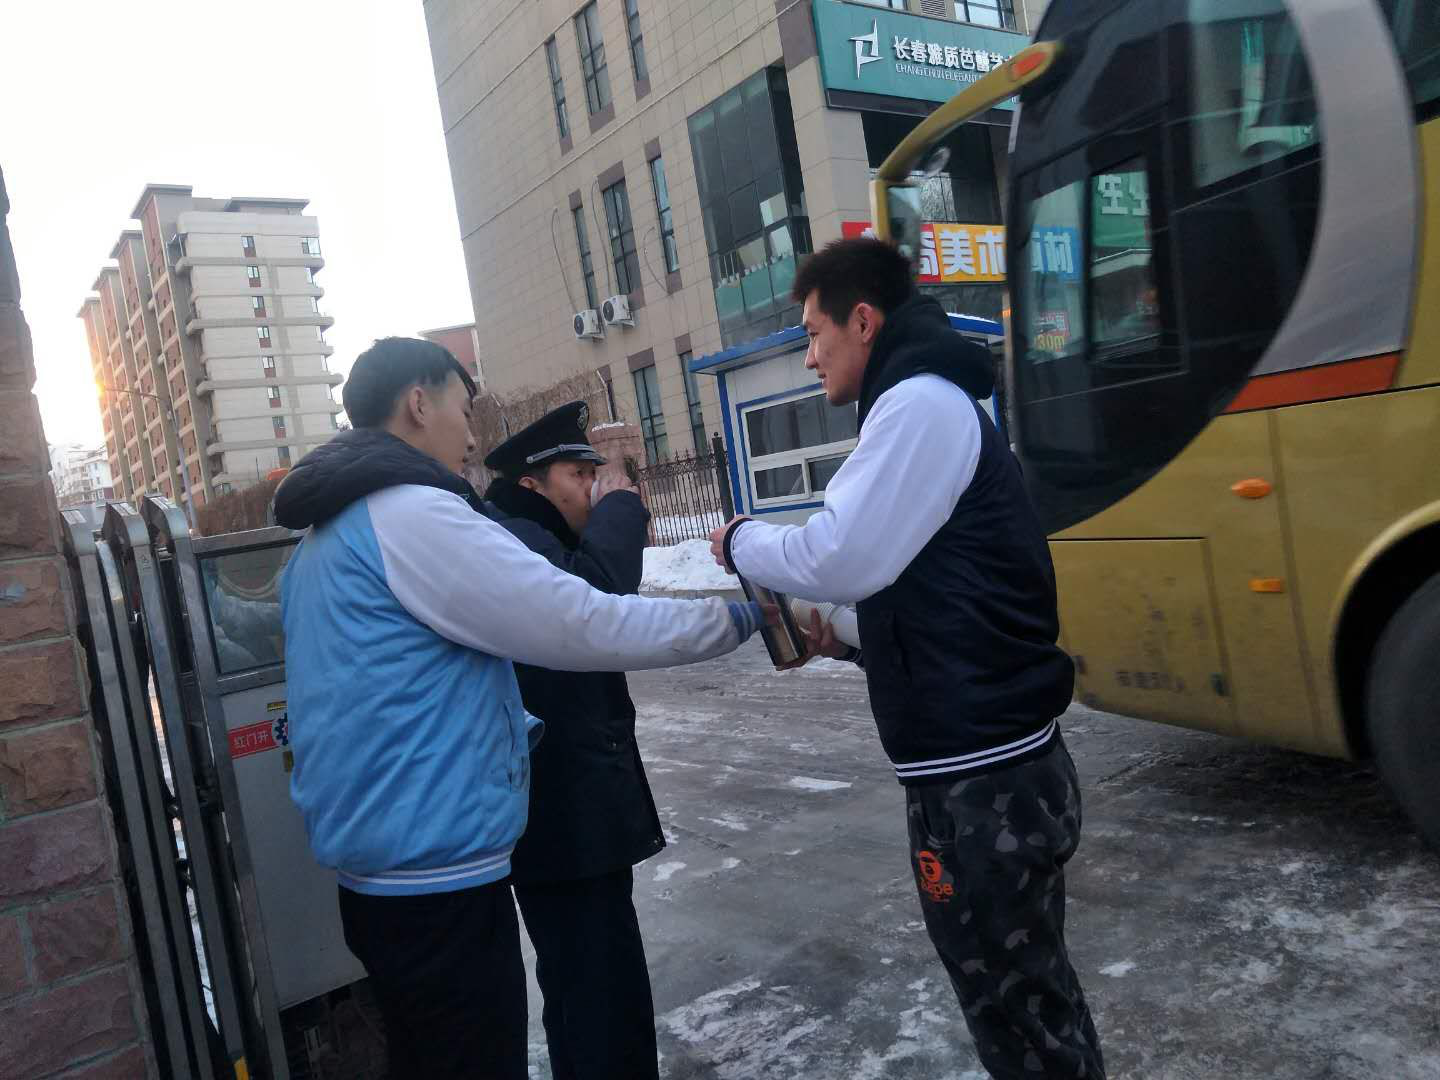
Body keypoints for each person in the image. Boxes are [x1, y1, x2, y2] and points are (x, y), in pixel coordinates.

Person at [273, 338, 766, 1080]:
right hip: (436, 874)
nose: (472, 437)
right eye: (462, 408)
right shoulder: (411, 516)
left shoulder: (320, 539)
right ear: (419, 403)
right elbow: (580, 620)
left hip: (381, 869)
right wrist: (742, 619)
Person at [709, 238, 1106, 1080]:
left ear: (863, 321)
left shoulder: (919, 404)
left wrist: (743, 539)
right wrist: (851, 637)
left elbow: (841, 555)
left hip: (986, 782)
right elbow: (945, 601)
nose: (810, 356)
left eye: (814, 333)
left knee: (1023, 1012)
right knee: (1013, 1003)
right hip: (970, 773)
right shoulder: (918, 404)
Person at [482, 402, 662, 1080]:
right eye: (577, 474)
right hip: (562, 816)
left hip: (575, 812)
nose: (593, 485)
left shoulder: (537, 535)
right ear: (531, 483)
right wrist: (620, 512)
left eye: (595, 472)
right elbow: (599, 603)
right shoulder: (517, 539)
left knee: (595, 982)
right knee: (596, 988)